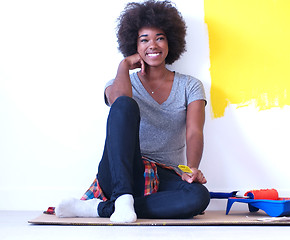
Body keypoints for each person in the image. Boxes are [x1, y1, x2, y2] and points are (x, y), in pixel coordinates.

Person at [55, 0, 210, 223]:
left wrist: (193, 168)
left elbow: (194, 131)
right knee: (125, 104)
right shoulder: (119, 81)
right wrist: (123, 66)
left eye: (160, 38)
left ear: (170, 42)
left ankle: (102, 208)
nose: (153, 45)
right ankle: (122, 196)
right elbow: (119, 104)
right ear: (134, 46)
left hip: (166, 174)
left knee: (198, 197)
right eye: (144, 40)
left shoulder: (190, 85)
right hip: (122, 170)